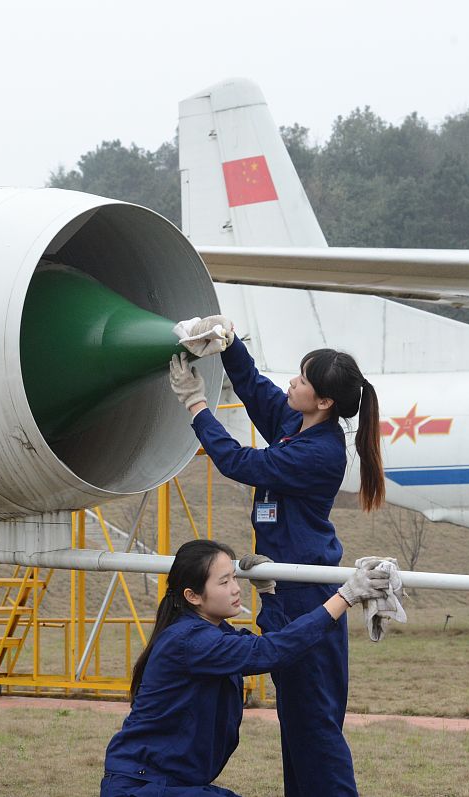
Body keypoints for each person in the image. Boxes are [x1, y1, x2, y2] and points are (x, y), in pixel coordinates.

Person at [167, 316, 385, 797]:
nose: (292, 381)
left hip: (308, 594)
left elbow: (240, 462)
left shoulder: (320, 451)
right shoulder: (298, 424)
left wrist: (196, 404)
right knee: (297, 720)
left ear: (324, 401)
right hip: (282, 590)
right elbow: (257, 390)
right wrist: (228, 343)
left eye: (303, 379)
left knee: (314, 723)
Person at [102, 540, 389, 796]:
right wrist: (345, 597)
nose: (236, 589)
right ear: (193, 596)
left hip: (172, 784)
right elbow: (270, 651)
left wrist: (269, 594)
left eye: (235, 578)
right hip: (141, 786)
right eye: (224, 582)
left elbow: (275, 648)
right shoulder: (189, 642)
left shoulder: (212, 635)